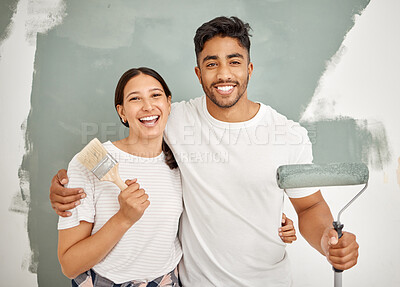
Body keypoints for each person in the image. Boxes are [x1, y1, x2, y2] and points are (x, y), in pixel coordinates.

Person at [50, 17, 358, 286]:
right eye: (212, 63)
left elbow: (309, 207)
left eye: (234, 61)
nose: (224, 74)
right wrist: (65, 186)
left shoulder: (288, 135)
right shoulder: (172, 119)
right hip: (192, 282)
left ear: (249, 68)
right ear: (199, 73)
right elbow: (132, 143)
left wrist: (325, 240)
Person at [58, 67, 183, 286]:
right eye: (135, 99)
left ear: (168, 103)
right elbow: (70, 265)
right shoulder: (89, 163)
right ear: (122, 112)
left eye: (156, 95)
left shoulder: (183, 162)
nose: (148, 106)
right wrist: (123, 218)